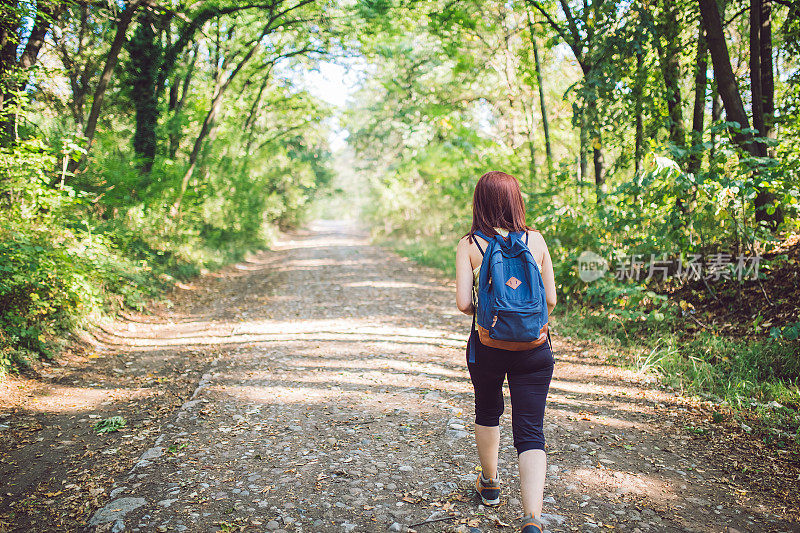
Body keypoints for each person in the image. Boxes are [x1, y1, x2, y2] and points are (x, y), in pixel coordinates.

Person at [455, 171, 558, 533]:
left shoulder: (470, 245)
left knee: (487, 410)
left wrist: (491, 309)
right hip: (534, 347)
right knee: (531, 430)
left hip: (487, 345)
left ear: (479, 202)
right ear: (516, 200)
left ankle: (491, 484)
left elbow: (463, 304)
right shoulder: (536, 240)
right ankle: (532, 517)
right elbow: (550, 300)